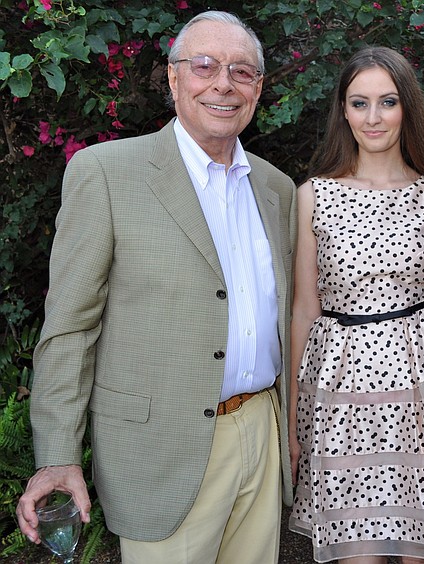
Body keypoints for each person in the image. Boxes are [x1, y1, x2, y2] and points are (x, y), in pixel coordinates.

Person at [15, 11, 296, 563]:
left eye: (241, 71)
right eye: (204, 66)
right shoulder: (107, 173)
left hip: (261, 435)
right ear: (173, 79)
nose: (223, 83)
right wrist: (57, 454)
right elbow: (70, 326)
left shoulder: (276, 188)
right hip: (160, 448)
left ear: (258, 88)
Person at [287, 46, 424, 564]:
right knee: (355, 554)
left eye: (386, 102)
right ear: (342, 110)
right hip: (340, 396)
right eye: (359, 102)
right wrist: (298, 418)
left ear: (406, 107)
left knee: (419, 552)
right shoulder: (312, 195)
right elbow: (304, 308)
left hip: (419, 395)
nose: (373, 117)